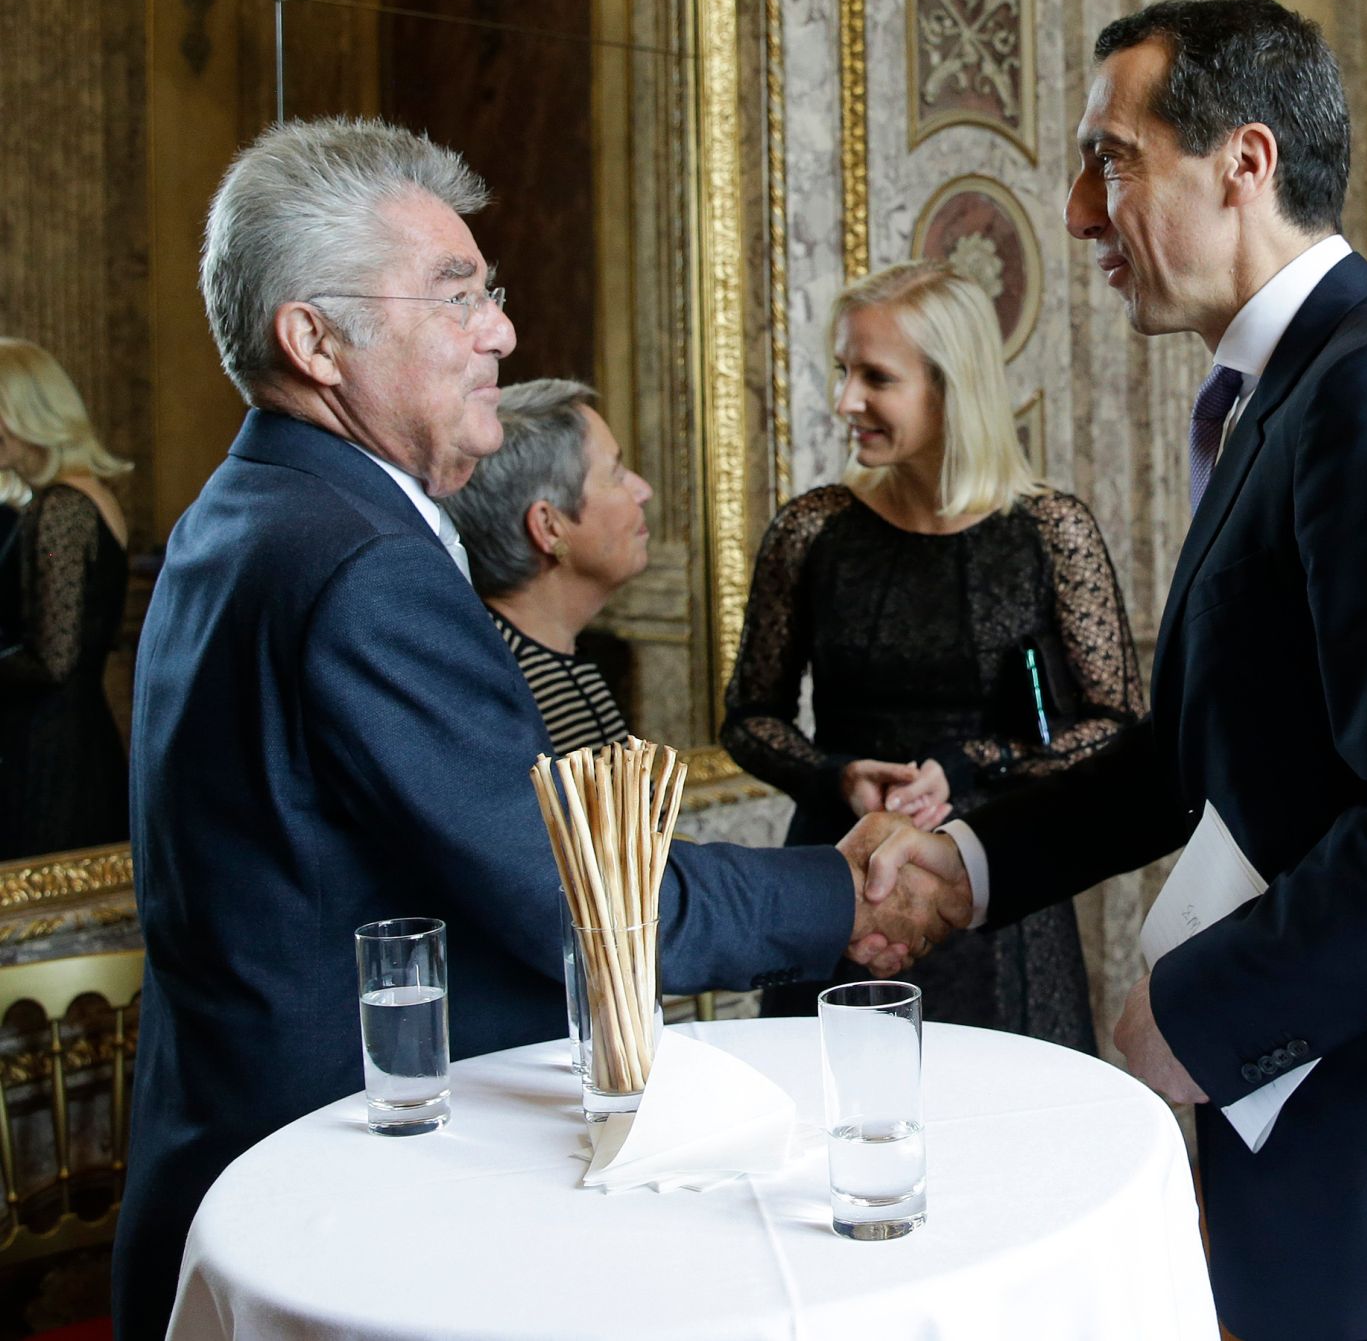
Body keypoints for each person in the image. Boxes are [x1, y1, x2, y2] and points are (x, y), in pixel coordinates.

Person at [844, 0, 1367, 1340]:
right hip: (1345, 1146)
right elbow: (1199, 747)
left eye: (1111, 158)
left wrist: (1196, 1017)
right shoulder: (1281, 394)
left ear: (1244, 162)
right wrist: (972, 861)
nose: (1082, 216)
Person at [116, 118, 968, 1341]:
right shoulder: (359, 562)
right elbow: (578, 895)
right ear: (313, 339)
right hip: (346, 1201)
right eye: (456, 295)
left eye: (491, 291)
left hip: (255, 1160)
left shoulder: (248, 509)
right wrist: (844, 892)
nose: (501, 333)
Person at [722, 261, 1143, 1050]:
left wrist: (970, 763)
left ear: (951, 388)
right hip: (842, 879)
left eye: (875, 377)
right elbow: (749, 718)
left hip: (994, 886)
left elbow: (1117, 724)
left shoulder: (1051, 530)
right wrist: (837, 775)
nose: (846, 400)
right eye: (843, 371)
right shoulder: (810, 530)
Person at [449, 378, 642, 752]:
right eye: (616, 475)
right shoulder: (525, 693)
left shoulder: (538, 657)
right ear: (549, 527)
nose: (642, 490)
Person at [0, 338, 132, 860]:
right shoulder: (71, 498)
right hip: (66, 738)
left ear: (28, 413)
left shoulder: (62, 508)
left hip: (51, 751)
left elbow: (53, 660)